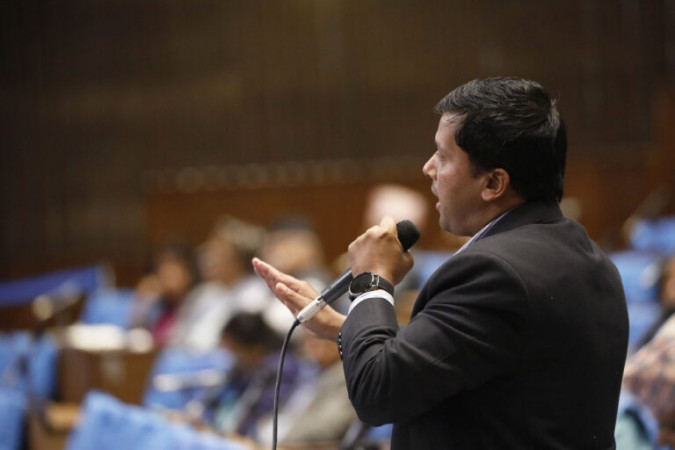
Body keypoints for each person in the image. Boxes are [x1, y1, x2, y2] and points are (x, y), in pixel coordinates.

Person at [252, 77, 629, 449]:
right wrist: (343, 327)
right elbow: (461, 358)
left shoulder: (493, 272)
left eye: (443, 156)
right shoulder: (586, 255)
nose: (428, 167)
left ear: (493, 183)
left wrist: (372, 280)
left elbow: (377, 393)